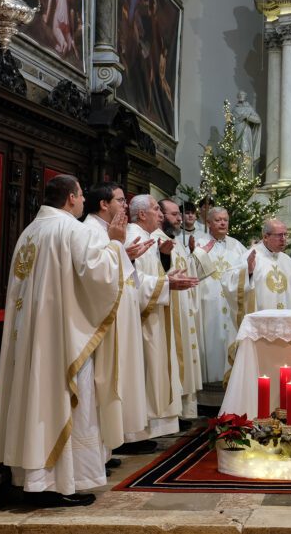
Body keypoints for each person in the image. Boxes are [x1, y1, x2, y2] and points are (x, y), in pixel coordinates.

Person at [0, 175, 125, 507]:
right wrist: (116, 243)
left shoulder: (29, 233)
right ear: (70, 198)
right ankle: (59, 482)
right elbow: (101, 276)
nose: (82, 202)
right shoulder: (71, 230)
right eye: (80, 196)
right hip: (61, 341)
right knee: (65, 400)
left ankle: (31, 477)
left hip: (31, 337)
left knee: (33, 400)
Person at [83, 183, 154, 458]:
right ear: (104, 204)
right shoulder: (90, 231)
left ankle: (106, 449)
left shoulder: (107, 232)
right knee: (105, 385)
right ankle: (101, 451)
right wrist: (119, 249)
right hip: (103, 321)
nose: (125, 206)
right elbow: (93, 277)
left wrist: (126, 254)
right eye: (121, 200)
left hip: (117, 317)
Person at [127, 195, 198, 438]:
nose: (160, 214)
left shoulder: (149, 237)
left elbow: (148, 275)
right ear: (142, 214)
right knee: (146, 372)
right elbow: (130, 280)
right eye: (156, 209)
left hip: (154, 313)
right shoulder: (132, 236)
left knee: (156, 370)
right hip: (142, 318)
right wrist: (166, 283)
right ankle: (137, 433)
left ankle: (151, 428)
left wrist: (167, 272)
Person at [192, 206, 256, 383]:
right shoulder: (199, 244)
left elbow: (246, 274)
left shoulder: (237, 246)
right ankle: (206, 387)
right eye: (218, 220)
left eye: (225, 220)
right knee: (208, 342)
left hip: (230, 304)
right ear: (208, 223)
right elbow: (191, 271)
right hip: (206, 304)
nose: (222, 223)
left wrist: (249, 270)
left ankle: (229, 386)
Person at [159, 199, 203, 422]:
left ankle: (184, 411)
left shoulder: (175, 241)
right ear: (160, 215)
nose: (179, 219)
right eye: (174, 214)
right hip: (169, 306)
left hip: (183, 306)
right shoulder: (158, 242)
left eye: (179, 214)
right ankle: (175, 412)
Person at [231, 91, 262, 170]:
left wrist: (247, 117)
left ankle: (245, 175)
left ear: (245, 96)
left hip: (245, 132)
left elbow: (258, 120)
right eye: (240, 95)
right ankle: (237, 174)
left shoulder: (249, 109)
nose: (241, 96)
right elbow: (230, 122)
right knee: (236, 152)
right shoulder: (234, 109)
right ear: (238, 97)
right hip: (236, 132)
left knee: (245, 150)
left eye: (243, 95)